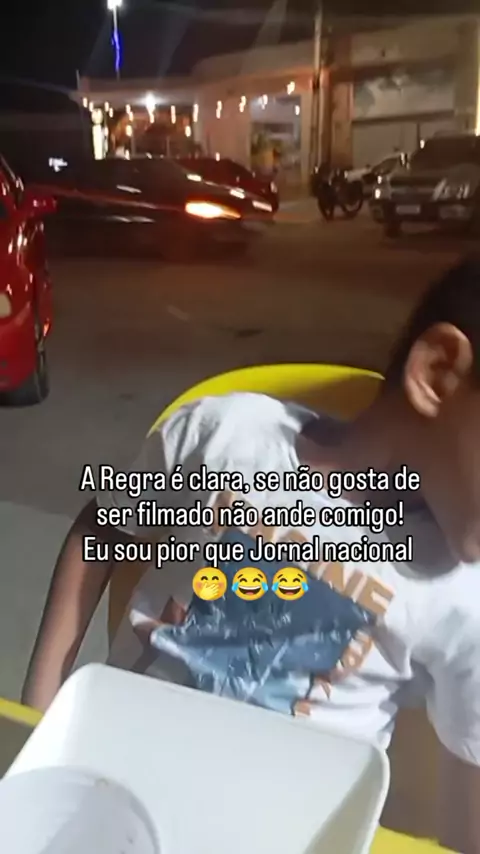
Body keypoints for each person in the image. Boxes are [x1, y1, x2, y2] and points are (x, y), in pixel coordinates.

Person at [22, 257, 480, 853]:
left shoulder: (465, 598)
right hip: (110, 785)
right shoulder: (228, 436)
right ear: (438, 374)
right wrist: (39, 716)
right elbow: (103, 528)